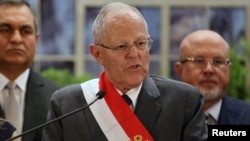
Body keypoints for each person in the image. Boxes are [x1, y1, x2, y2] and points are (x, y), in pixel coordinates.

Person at [42, 2, 207, 141]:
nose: (135, 54)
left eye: (141, 43)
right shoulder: (67, 105)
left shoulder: (184, 102)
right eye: (122, 46)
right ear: (97, 54)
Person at [0, 0, 60, 141]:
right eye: (5, 30)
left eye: (25, 31)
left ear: (36, 40)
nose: (16, 39)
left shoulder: (57, 100)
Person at [175, 29, 250, 125]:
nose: (209, 70)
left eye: (218, 61)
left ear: (228, 69)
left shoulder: (247, 117)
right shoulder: (160, 118)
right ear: (180, 70)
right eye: (199, 61)